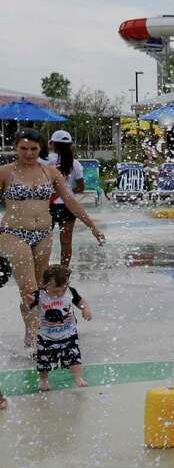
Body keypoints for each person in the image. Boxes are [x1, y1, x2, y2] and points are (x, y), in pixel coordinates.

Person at [0, 129, 103, 352]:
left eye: (33, 149)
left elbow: (70, 201)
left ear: (41, 148)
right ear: (16, 147)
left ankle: (33, 327)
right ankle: (36, 336)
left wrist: (92, 225)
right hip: (12, 232)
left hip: (43, 233)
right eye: (23, 148)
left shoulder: (50, 172)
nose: (28, 153)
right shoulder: (5, 172)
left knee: (40, 288)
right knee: (28, 288)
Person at [30, 264, 91, 391]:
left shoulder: (70, 292)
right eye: (54, 291)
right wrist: (28, 302)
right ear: (44, 284)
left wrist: (86, 309)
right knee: (44, 361)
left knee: (74, 357)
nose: (58, 293)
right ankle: (43, 380)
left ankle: (78, 378)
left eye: (62, 290)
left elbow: (81, 302)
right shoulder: (39, 295)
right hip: (46, 336)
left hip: (69, 334)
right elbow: (27, 305)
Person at [41, 130, 84, 268]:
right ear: (70, 145)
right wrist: (67, 192)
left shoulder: (44, 160)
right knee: (66, 242)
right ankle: (64, 271)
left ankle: (42, 271)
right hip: (68, 206)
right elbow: (81, 187)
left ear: (52, 144)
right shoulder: (75, 163)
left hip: (47, 205)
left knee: (44, 242)